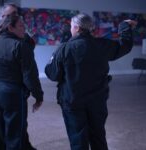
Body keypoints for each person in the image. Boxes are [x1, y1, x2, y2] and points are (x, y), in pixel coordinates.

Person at [45, 13, 137, 150]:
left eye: (71, 26)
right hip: (97, 101)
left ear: (76, 28)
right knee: (98, 138)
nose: (70, 29)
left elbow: (52, 74)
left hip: (73, 102)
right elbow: (125, 46)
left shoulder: (64, 49)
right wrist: (125, 27)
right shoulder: (102, 45)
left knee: (78, 141)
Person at [0, 14, 43, 150]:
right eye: (21, 26)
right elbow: (30, 75)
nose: (24, 29)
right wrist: (38, 96)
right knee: (15, 133)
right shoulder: (20, 46)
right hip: (12, 94)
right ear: (10, 27)